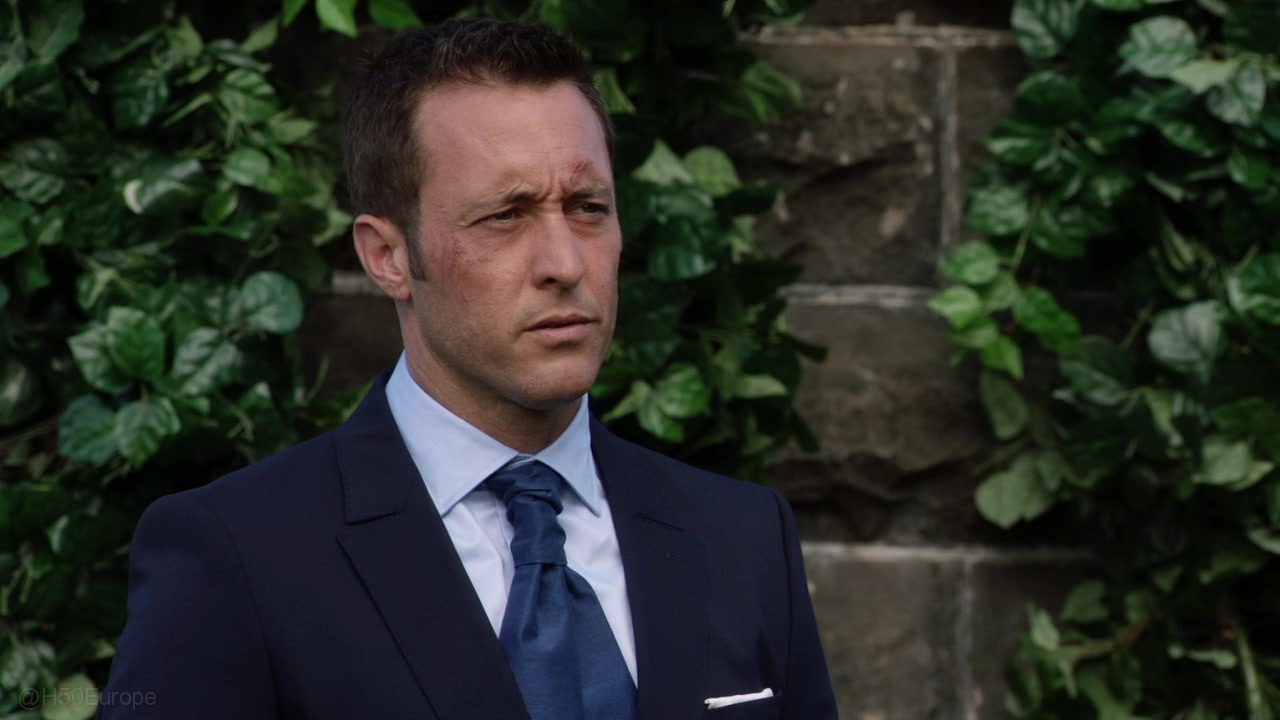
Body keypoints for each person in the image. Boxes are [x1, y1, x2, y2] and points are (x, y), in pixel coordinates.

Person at [103, 18, 837, 720]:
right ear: (387, 256)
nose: (565, 263)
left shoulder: (742, 536)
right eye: (505, 216)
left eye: (587, 207)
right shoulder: (239, 555)